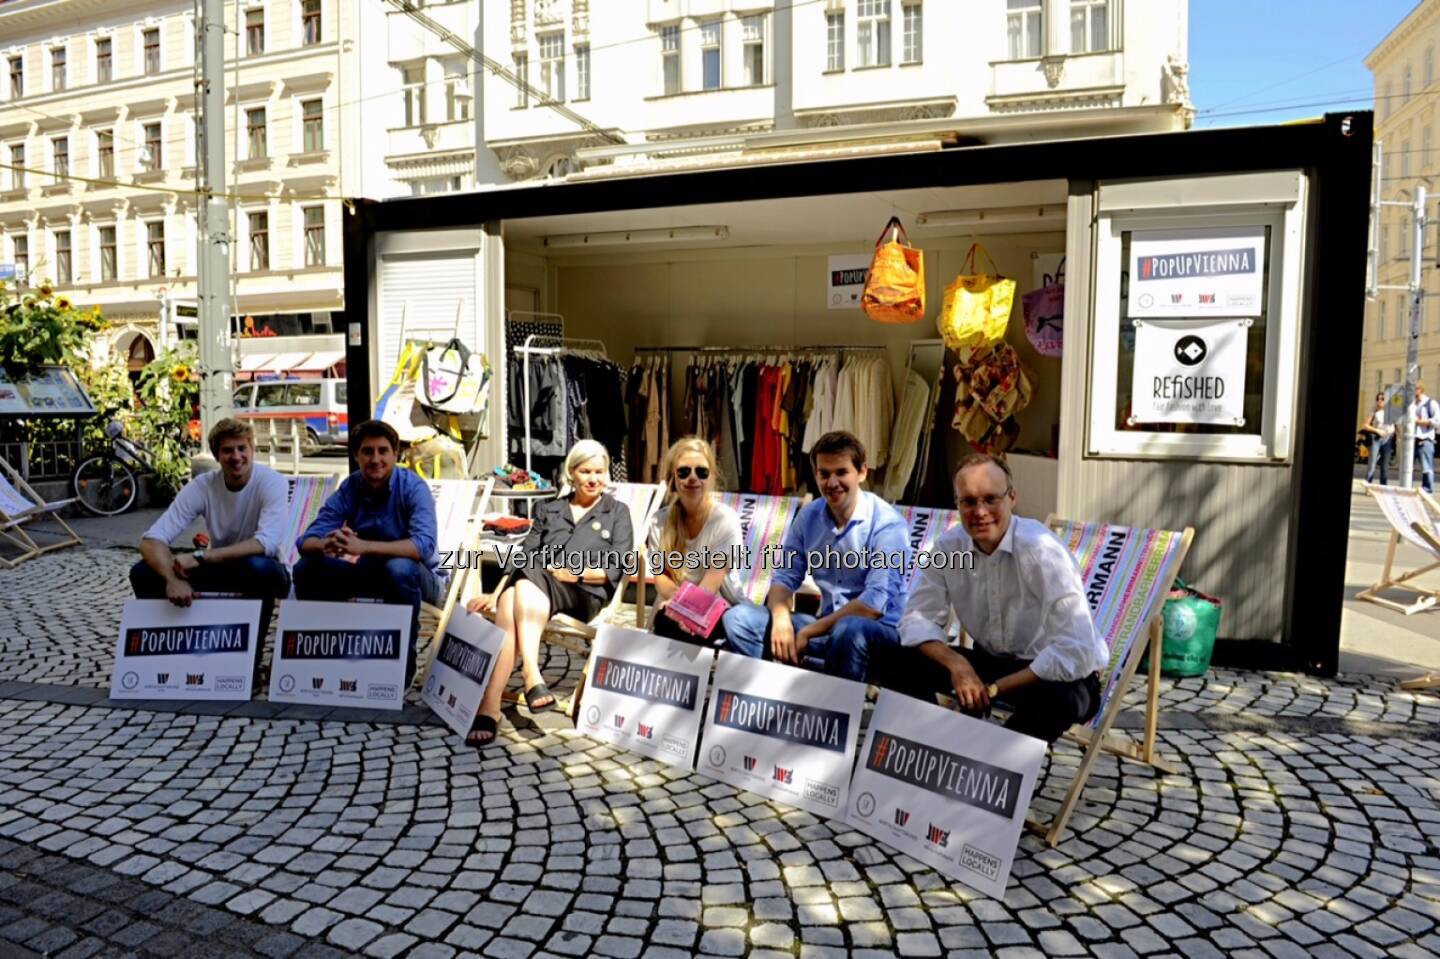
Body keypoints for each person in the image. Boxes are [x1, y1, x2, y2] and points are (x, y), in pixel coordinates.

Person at [874, 454, 1104, 745]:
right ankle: (932, 748)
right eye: (968, 501)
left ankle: (988, 771)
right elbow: (917, 619)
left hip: (1055, 675)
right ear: (957, 504)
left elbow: (1077, 650)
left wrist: (993, 689)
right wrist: (959, 666)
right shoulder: (950, 549)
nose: (980, 511)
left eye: (990, 499)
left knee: (1059, 700)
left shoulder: (1040, 550)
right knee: (894, 659)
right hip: (990, 663)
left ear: (1012, 498)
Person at [464, 439, 634, 746]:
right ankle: (526, 682)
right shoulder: (549, 509)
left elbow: (619, 564)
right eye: (585, 471)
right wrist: (495, 591)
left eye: (599, 471)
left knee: (523, 586)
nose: (593, 478)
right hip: (537, 589)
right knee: (512, 595)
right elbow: (526, 552)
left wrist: (577, 572)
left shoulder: (617, 512)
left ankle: (498, 698)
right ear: (571, 473)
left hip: (583, 593)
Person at [721, 430, 910, 682]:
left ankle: (835, 711)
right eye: (824, 474)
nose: (832, 483)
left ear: (862, 472)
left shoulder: (887, 524)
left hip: (879, 636)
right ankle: (775, 693)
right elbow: (784, 577)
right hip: (826, 628)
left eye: (841, 472)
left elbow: (873, 605)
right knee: (739, 619)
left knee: (849, 629)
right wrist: (780, 619)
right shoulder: (808, 517)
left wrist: (809, 630)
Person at [294, 419, 439, 685]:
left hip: (416, 579)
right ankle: (325, 655)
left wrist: (364, 547)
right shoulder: (351, 487)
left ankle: (402, 666)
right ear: (356, 456)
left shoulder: (414, 488)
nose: (375, 459)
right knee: (307, 567)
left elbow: (423, 546)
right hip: (369, 573)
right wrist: (326, 543)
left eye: (383, 451)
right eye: (367, 451)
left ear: (396, 455)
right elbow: (305, 541)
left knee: (398, 568)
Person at [130, 418, 290, 653]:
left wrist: (202, 556)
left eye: (242, 448)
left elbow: (266, 542)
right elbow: (151, 540)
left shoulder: (271, 482)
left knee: (258, 568)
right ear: (217, 456)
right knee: (142, 572)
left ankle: (249, 662)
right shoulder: (202, 486)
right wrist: (172, 580)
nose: (236, 457)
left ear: (252, 450)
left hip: (266, 570)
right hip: (222, 569)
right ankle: (167, 655)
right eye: (227, 450)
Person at [647, 437, 744, 644]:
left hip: (717, 604)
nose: (693, 478)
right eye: (684, 472)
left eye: (701, 472)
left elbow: (712, 582)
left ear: (711, 478)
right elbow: (661, 578)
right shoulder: (659, 521)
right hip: (670, 605)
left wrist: (686, 612)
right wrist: (677, 606)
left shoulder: (725, 520)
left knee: (676, 627)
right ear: (673, 478)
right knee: (668, 622)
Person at [1362, 392, 1394, 485]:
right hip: (1376, 439)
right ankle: (1368, 485)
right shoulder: (1374, 412)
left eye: (1382, 399)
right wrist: (1377, 431)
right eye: (1378, 399)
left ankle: (1383, 487)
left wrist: (1398, 435)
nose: (1379, 401)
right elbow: (1365, 425)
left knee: (1384, 467)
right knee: (1372, 465)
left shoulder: (1391, 412)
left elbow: (1395, 425)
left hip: (1388, 440)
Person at [1415, 383, 1437, 494]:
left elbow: (1437, 421)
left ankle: (1428, 491)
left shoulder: (1430, 403)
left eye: (1414, 389)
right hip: (1411, 440)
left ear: (1420, 390)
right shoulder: (1412, 404)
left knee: (1427, 467)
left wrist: (1419, 422)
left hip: (1425, 440)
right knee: (1407, 468)